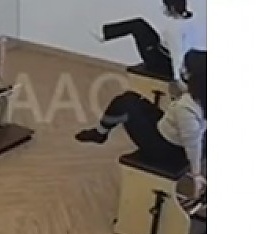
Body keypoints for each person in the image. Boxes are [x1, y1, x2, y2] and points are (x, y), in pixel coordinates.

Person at [76, 49, 207, 194]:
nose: (182, 71)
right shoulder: (203, 95)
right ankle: (100, 132)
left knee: (124, 103)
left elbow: (192, 144)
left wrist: (196, 174)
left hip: (166, 150)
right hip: (171, 132)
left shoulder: (186, 109)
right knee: (131, 98)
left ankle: (100, 133)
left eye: (185, 69)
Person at [92, 0, 206, 86]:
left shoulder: (173, 29)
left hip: (161, 63)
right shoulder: (191, 19)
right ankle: (105, 34)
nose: (163, 8)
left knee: (137, 26)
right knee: (139, 23)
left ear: (172, 8)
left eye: (164, 6)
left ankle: (104, 35)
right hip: (176, 56)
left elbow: (177, 53)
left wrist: (177, 78)